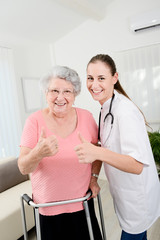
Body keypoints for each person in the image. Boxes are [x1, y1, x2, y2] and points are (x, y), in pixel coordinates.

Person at [74, 54, 160, 240]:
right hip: (125, 194)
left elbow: (136, 165)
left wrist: (97, 152)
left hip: (137, 197)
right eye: (90, 78)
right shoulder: (106, 107)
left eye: (101, 78)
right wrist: (94, 176)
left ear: (115, 78)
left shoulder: (125, 111)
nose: (94, 84)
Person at [18, 65, 102, 240]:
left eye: (67, 92)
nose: (60, 97)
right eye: (54, 90)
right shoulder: (33, 121)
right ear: (45, 93)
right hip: (48, 210)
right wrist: (38, 153)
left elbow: (98, 151)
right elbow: (23, 167)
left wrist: (94, 178)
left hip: (82, 205)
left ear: (75, 94)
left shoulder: (86, 117)